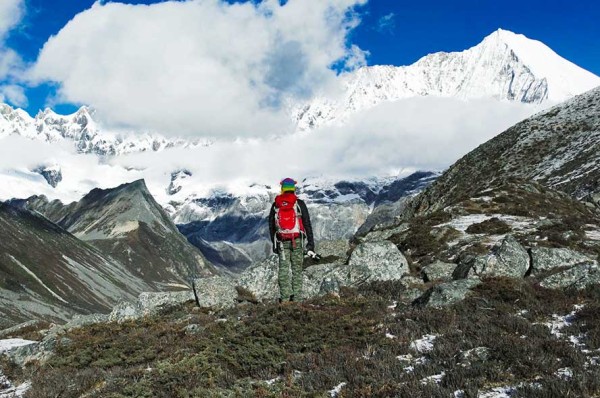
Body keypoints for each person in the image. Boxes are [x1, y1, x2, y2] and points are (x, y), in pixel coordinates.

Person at [268, 178, 317, 303]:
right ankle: (297, 300)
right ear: (293, 189)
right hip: (298, 240)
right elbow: (307, 223)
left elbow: (271, 226)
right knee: (297, 271)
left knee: (283, 271)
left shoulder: (276, 204)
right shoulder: (299, 203)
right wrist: (310, 244)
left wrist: (274, 244)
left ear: (282, 189)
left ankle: (284, 300)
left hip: (281, 242)